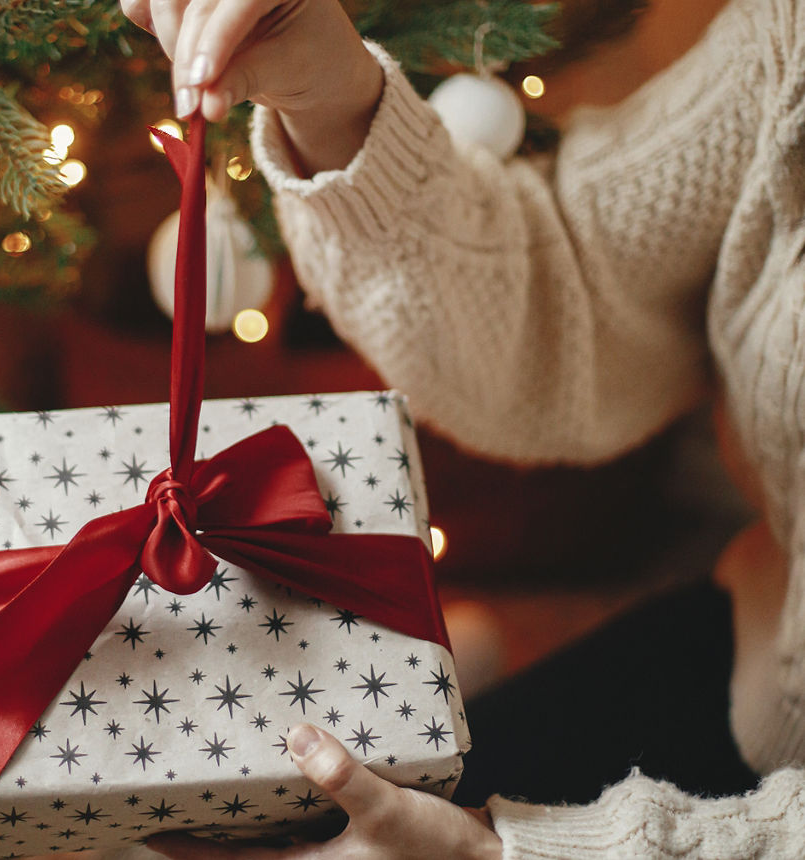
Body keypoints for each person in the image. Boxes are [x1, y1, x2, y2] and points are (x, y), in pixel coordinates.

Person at [118, 0, 805, 855]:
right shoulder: (788, 42)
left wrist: (507, 851)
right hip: (762, 663)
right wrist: (337, 106)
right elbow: (569, 296)